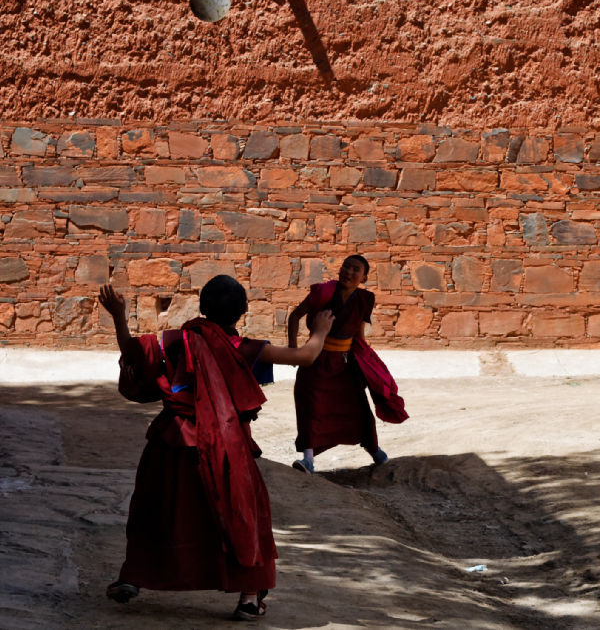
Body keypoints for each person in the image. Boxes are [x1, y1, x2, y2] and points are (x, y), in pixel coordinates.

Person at [98, 275, 334, 621]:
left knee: (158, 510)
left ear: (203, 308)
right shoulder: (246, 348)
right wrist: (322, 330)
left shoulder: (178, 341)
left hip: (173, 441)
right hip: (227, 446)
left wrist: (119, 315)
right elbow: (306, 356)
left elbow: (132, 352)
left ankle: (133, 577)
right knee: (243, 515)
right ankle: (249, 597)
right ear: (243, 312)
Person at [287, 254, 408, 474]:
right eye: (346, 267)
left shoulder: (365, 299)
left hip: (344, 365)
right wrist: (294, 348)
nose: (348, 272)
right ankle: (308, 461)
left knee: (358, 408)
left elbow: (359, 335)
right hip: (316, 360)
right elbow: (294, 317)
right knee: (310, 408)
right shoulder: (322, 293)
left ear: (364, 277)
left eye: (355, 270)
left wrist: (368, 361)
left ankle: (374, 450)